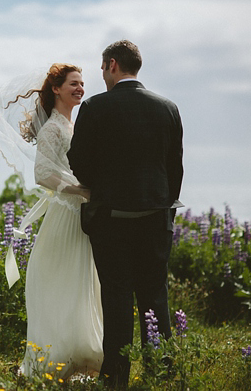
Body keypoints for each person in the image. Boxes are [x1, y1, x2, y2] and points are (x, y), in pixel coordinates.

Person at [67, 40, 184, 387]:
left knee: (115, 297)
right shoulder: (169, 108)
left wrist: (101, 187)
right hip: (155, 218)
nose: (102, 75)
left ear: (112, 64)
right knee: (154, 297)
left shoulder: (95, 107)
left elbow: (78, 162)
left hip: (111, 220)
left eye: (103, 69)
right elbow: (174, 169)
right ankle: (160, 373)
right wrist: (164, 209)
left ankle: (116, 377)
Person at [0, 63, 103, 380]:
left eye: (82, 83)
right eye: (73, 83)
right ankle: (58, 357)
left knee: (80, 282)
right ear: (57, 89)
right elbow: (43, 175)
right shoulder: (52, 129)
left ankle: (83, 356)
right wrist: (82, 191)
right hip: (66, 213)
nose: (80, 88)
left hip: (79, 213)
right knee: (62, 281)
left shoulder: (70, 125)